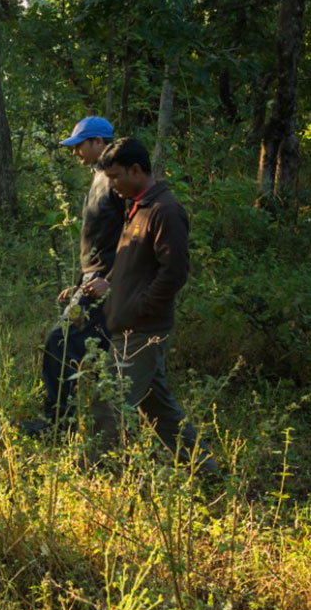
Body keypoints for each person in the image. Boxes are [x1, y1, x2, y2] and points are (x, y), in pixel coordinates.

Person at [83, 138, 217, 471]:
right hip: (128, 325)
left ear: (137, 170)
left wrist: (141, 308)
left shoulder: (165, 210)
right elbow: (133, 262)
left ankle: (99, 477)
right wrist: (107, 282)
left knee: (108, 403)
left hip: (141, 330)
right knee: (159, 409)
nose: (112, 186)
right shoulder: (138, 205)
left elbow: (174, 273)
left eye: (115, 177)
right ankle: (206, 470)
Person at [27, 116, 125, 432]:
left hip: (104, 286)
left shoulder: (117, 180)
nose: (75, 153)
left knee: (61, 341)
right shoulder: (100, 177)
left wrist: (109, 279)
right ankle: (73, 422)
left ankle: (58, 423)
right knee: (71, 347)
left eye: (79, 145)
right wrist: (81, 281)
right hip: (91, 282)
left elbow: (130, 237)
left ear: (98, 142)